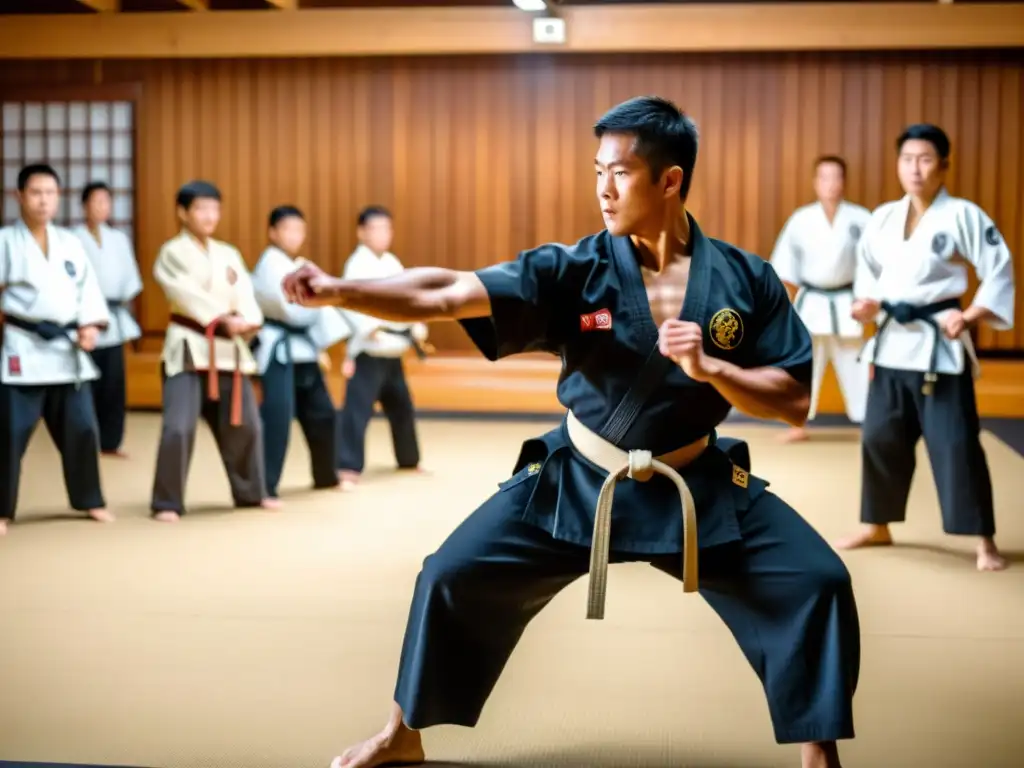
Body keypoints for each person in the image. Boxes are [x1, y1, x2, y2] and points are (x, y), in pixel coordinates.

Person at [285, 96, 859, 768]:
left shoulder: (745, 278)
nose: (603, 190)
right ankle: (401, 733)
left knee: (818, 581)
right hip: (580, 480)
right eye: (597, 172)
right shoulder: (573, 270)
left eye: (619, 173)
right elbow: (445, 292)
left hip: (695, 484)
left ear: (669, 180)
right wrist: (340, 291)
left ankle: (819, 752)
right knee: (449, 574)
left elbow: (794, 401)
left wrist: (712, 368)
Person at [837, 124, 1015, 571]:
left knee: (955, 443)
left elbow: (999, 267)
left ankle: (983, 540)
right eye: (907, 159)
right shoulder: (882, 217)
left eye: (925, 159)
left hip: (940, 345)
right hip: (892, 344)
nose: (914, 169)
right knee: (879, 437)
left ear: (944, 166)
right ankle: (877, 524)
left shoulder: (963, 215)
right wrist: (867, 306)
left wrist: (971, 315)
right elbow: (870, 273)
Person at [150, 180, 275, 522]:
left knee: (246, 425)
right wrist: (221, 319)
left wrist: (249, 320)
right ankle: (167, 502)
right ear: (183, 212)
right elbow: (184, 293)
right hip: (190, 345)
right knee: (178, 427)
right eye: (201, 208)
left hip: (228, 351)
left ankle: (251, 493)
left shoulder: (228, 253)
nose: (209, 216)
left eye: (214, 208)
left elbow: (245, 295)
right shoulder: (172, 252)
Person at [0, 164, 114, 535]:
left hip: (67, 352)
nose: (44, 200)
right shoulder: (5, 241)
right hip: (24, 346)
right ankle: (2, 509)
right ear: (19, 196)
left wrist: (90, 326)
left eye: (50, 192)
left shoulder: (69, 242)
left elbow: (88, 292)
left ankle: (90, 499)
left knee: (82, 428)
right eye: (36, 192)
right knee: (9, 432)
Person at [251, 205, 350, 500]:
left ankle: (326, 476)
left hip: (305, 350)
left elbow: (322, 303)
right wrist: (314, 303)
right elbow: (292, 311)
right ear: (272, 232)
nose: (294, 235)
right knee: (277, 420)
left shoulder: (303, 265)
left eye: (299, 230)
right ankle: (265, 487)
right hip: (278, 349)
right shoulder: (269, 264)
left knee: (323, 414)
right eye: (287, 229)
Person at [769, 156, 872, 442]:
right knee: (804, 365)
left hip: (847, 301)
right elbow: (784, 266)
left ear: (844, 182)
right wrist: (791, 301)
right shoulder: (801, 220)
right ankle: (797, 423)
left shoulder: (862, 219)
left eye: (836, 177)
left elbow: (872, 265)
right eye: (824, 177)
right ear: (816, 182)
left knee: (856, 364)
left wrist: (864, 299)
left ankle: (869, 425)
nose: (831, 184)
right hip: (812, 302)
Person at [335, 206, 429, 492]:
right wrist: (368, 327)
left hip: (393, 350)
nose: (382, 234)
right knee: (357, 411)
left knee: (402, 407)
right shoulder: (356, 264)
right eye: (375, 228)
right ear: (361, 232)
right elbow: (348, 301)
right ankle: (347, 467)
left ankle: (408, 459)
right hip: (369, 350)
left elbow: (408, 298)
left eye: (387, 228)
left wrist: (415, 325)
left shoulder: (392, 262)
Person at [72, 181, 144, 458]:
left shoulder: (118, 238)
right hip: (84, 318)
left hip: (113, 317)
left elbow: (130, 278)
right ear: (84, 206)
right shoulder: (73, 237)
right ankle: (86, 439)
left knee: (114, 384)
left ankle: (111, 441)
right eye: (96, 201)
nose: (102, 207)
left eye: (106, 202)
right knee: (87, 384)